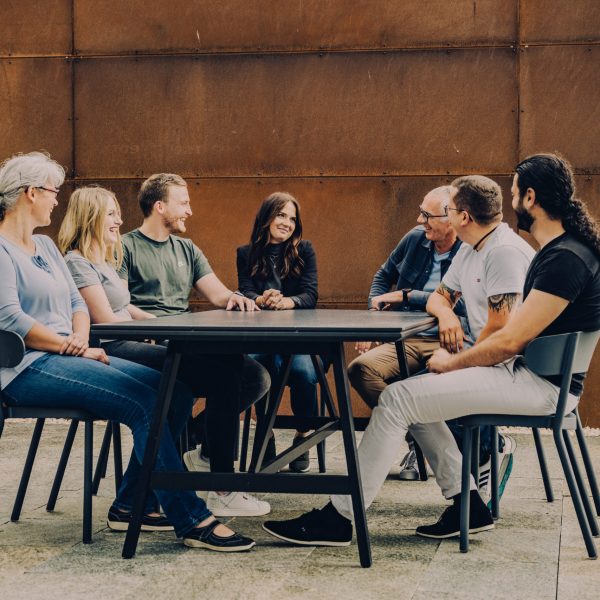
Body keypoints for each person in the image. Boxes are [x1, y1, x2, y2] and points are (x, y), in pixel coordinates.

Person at [262, 155, 598, 547]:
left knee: (400, 397)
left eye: (513, 193)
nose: (509, 202)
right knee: (410, 398)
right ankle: (467, 504)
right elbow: (449, 303)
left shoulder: (564, 259)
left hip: (539, 384)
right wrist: (449, 342)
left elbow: (509, 340)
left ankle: (339, 518)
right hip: (528, 374)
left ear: (530, 197)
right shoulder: (558, 251)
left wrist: (452, 362)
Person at [0, 151, 254, 551]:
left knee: (176, 391)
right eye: (52, 192)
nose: (55, 200)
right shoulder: (1, 249)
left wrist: (79, 340)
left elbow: (77, 304)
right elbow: (12, 320)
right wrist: (73, 347)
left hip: (69, 353)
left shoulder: (45, 246)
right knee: (145, 401)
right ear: (30, 193)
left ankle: (130, 504)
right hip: (28, 367)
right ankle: (188, 518)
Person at [117, 174, 271, 518]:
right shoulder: (125, 247)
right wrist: (155, 325)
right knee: (226, 375)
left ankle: (201, 448)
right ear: (160, 206)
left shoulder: (187, 248)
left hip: (182, 340)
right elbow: (117, 302)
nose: (190, 209)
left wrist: (237, 299)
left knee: (253, 375)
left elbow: (217, 293)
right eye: (183, 202)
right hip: (143, 342)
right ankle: (222, 484)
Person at [347, 186, 466, 479]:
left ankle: (474, 447)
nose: (419, 219)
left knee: (427, 385)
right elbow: (383, 276)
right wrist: (374, 316)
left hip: (452, 340)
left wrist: (406, 296)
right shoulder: (415, 239)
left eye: (428, 215)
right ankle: (420, 442)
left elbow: (457, 304)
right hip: (407, 338)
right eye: (421, 211)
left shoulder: (469, 251)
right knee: (361, 369)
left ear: (451, 218)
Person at [237, 192, 318, 472]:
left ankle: (303, 435)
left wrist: (285, 302)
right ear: (267, 217)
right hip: (262, 337)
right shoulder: (245, 253)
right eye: (281, 215)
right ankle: (266, 432)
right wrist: (260, 299)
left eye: (292, 218)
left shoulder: (303, 250)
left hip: (297, 338)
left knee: (305, 374)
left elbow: (310, 295)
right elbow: (246, 290)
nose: (287, 223)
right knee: (258, 370)